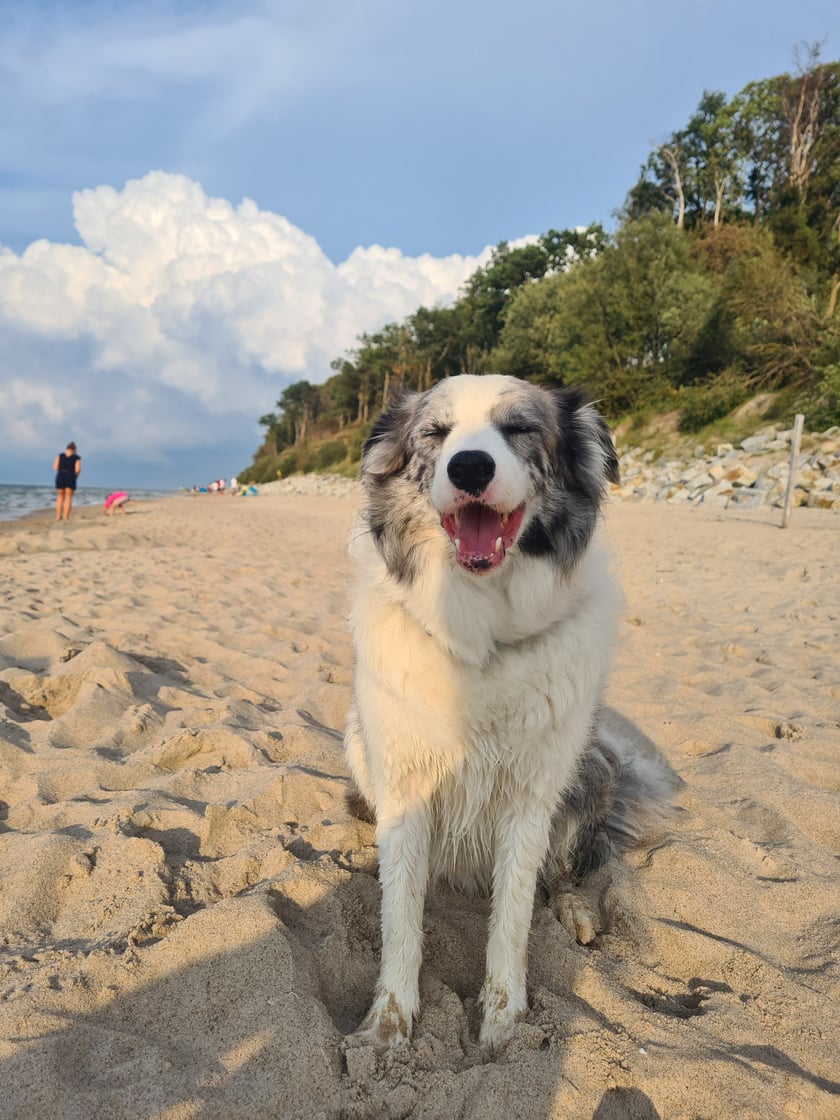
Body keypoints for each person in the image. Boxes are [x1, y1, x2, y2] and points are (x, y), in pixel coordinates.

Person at [54, 441, 81, 521]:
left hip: (61, 475)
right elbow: (77, 470)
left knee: (60, 497)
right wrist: (75, 476)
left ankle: (58, 516)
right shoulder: (76, 457)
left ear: (67, 448)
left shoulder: (60, 455)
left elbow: (55, 467)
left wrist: (62, 470)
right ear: (74, 449)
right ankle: (66, 517)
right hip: (70, 476)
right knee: (68, 498)